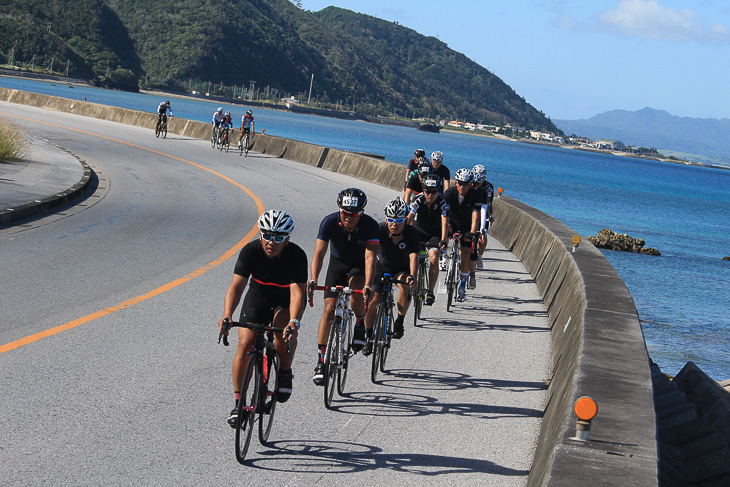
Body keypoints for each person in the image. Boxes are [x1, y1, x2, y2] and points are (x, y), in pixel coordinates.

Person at [218, 210, 307, 428]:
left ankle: (284, 371)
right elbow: (237, 286)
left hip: (285, 301)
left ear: (287, 238)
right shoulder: (250, 251)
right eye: (267, 235)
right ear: (260, 235)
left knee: (281, 334)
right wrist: (227, 314)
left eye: (278, 237)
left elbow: (297, 294)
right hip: (258, 296)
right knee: (245, 343)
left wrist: (293, 322)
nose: (271, 242)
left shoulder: (296, 255)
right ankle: (239, 405)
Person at [309, 188, 379, 385]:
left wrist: (368, 284)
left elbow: (370, 258)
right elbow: (319, 254)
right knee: (329, 310)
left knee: (357, 287)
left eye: (354, 213)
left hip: (358, 266)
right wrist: (313, 279)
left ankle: (360, 323)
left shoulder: (370, 226)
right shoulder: (329, 222)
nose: (349, 217)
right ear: (339, 210)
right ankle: (321, 361)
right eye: (345, 212)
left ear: (362, 213)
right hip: (337, 264)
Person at [363, 197, 419, 353]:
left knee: (406, 286)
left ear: (405, 220)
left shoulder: (412, 233)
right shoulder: (379, 230)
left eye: (399, 220)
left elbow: (414, 256)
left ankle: (399, 321)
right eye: (391, 220)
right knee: (373, 300)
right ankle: (368, 336)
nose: (394, 224)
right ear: (386, 219)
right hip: (381, 268)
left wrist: (413, 277)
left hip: (401, 269)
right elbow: (370, 254)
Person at [406, 173, 449, 305]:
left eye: (433, 192)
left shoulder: (443, 202)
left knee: (434, 257)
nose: (430, 195)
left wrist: (443, 239)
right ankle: (413, 281)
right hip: (419, 230)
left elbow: (445, 222)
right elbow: (409, 218)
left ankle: (430, 291)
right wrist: (404, 234)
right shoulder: (418, 200)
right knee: (413, 255)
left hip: (434, 233)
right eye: (427, 192)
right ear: (423, 190)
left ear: (438, 191)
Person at [443, 168, 481, 302]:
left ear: (470, 184)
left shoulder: (475, 195)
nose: (461, 186)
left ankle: (462, 286)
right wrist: (446, 230)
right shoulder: (448, 193)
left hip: (467, 225)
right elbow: (443, 215)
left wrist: (472, 233)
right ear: (456, 182)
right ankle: (443, 257)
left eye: (465, 184)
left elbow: (476, 216)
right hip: (451, 222)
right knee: (443, 234)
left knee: (465, 252)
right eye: (459, 183)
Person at [471, 164, 495, 275]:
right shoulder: (469, 183)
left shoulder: (488, 188)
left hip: (482, 209)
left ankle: (480, 256)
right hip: (470, 209)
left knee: (482, 236)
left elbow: (488, 203)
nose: (480, 180)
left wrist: (489, 216)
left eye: (483, 178)